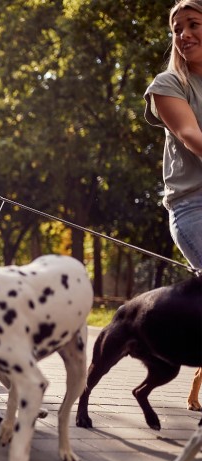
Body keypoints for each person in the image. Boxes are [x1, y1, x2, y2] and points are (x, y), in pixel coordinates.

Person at [144, 0, 202, 270]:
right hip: (194, 206)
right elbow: (190, 135)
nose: (184, 34)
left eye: (194, 25)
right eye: (177, 29)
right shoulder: (168, 84)